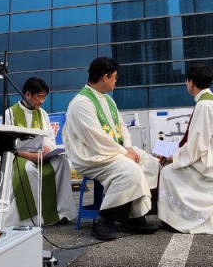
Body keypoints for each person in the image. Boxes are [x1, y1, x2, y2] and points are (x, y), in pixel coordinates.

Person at [63, 57, 160, 240]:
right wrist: (124, 153)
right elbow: (95, 138)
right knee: (130, 170)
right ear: (105, 77)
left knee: (150, 163)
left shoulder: (108, 101)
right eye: (115, 76)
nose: (117, 80)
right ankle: (103, 220)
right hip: (92, 155)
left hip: (113, 151)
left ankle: (133, 216)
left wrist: (129, 148)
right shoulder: (81, 103)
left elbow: (121, 128)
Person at [157, 64, 213, 234]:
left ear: (191, 82)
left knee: (167, 173)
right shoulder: (212, 101)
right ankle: (177, 217)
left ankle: (180, 220)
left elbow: (197, 145)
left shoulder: (205, 105)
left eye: (186, 81)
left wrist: (171, 158)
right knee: (172, 170)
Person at [2, 77, 75, 226]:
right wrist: (29, 156)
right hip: (20, 156)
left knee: (62, 163)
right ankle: (32, 218)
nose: (41, 102)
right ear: (27, 94)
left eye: (44, 98)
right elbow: (7, 144)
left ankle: (60, 213)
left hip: (41, 154)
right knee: (29, 169)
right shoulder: (10, 113)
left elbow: (49, 137)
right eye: (39, 97)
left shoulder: (42, 114)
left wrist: (48, 148)